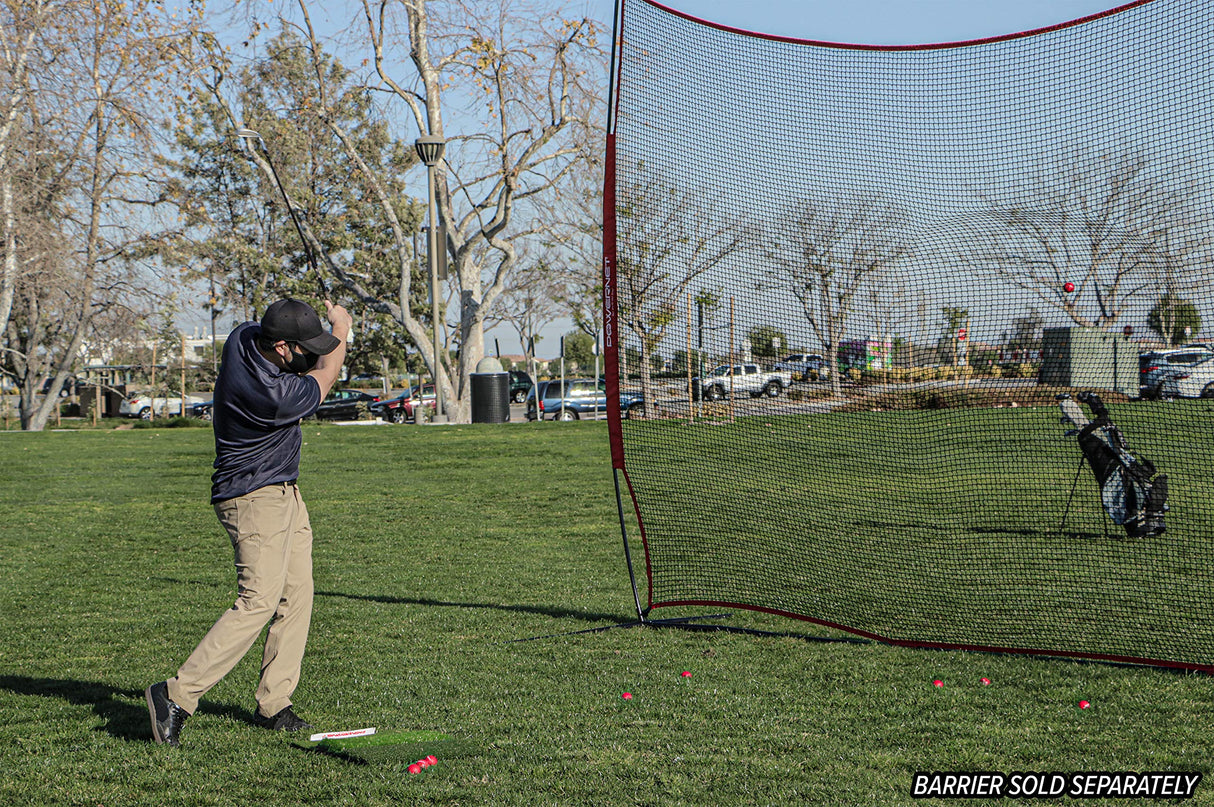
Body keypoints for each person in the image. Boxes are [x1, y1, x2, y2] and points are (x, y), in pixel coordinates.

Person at [146, 298, 352, 747]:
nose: (310, 353)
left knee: (297, 592)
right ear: (280, 348)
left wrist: (319, 329)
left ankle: (274, 703)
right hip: (253, 498)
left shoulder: (242, 338)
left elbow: (306, 357)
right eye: (303, 347)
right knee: (258, 600)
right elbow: (325, 375)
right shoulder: (272, 394)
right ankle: (176, 695)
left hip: (283, 493)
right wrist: (342, 329)